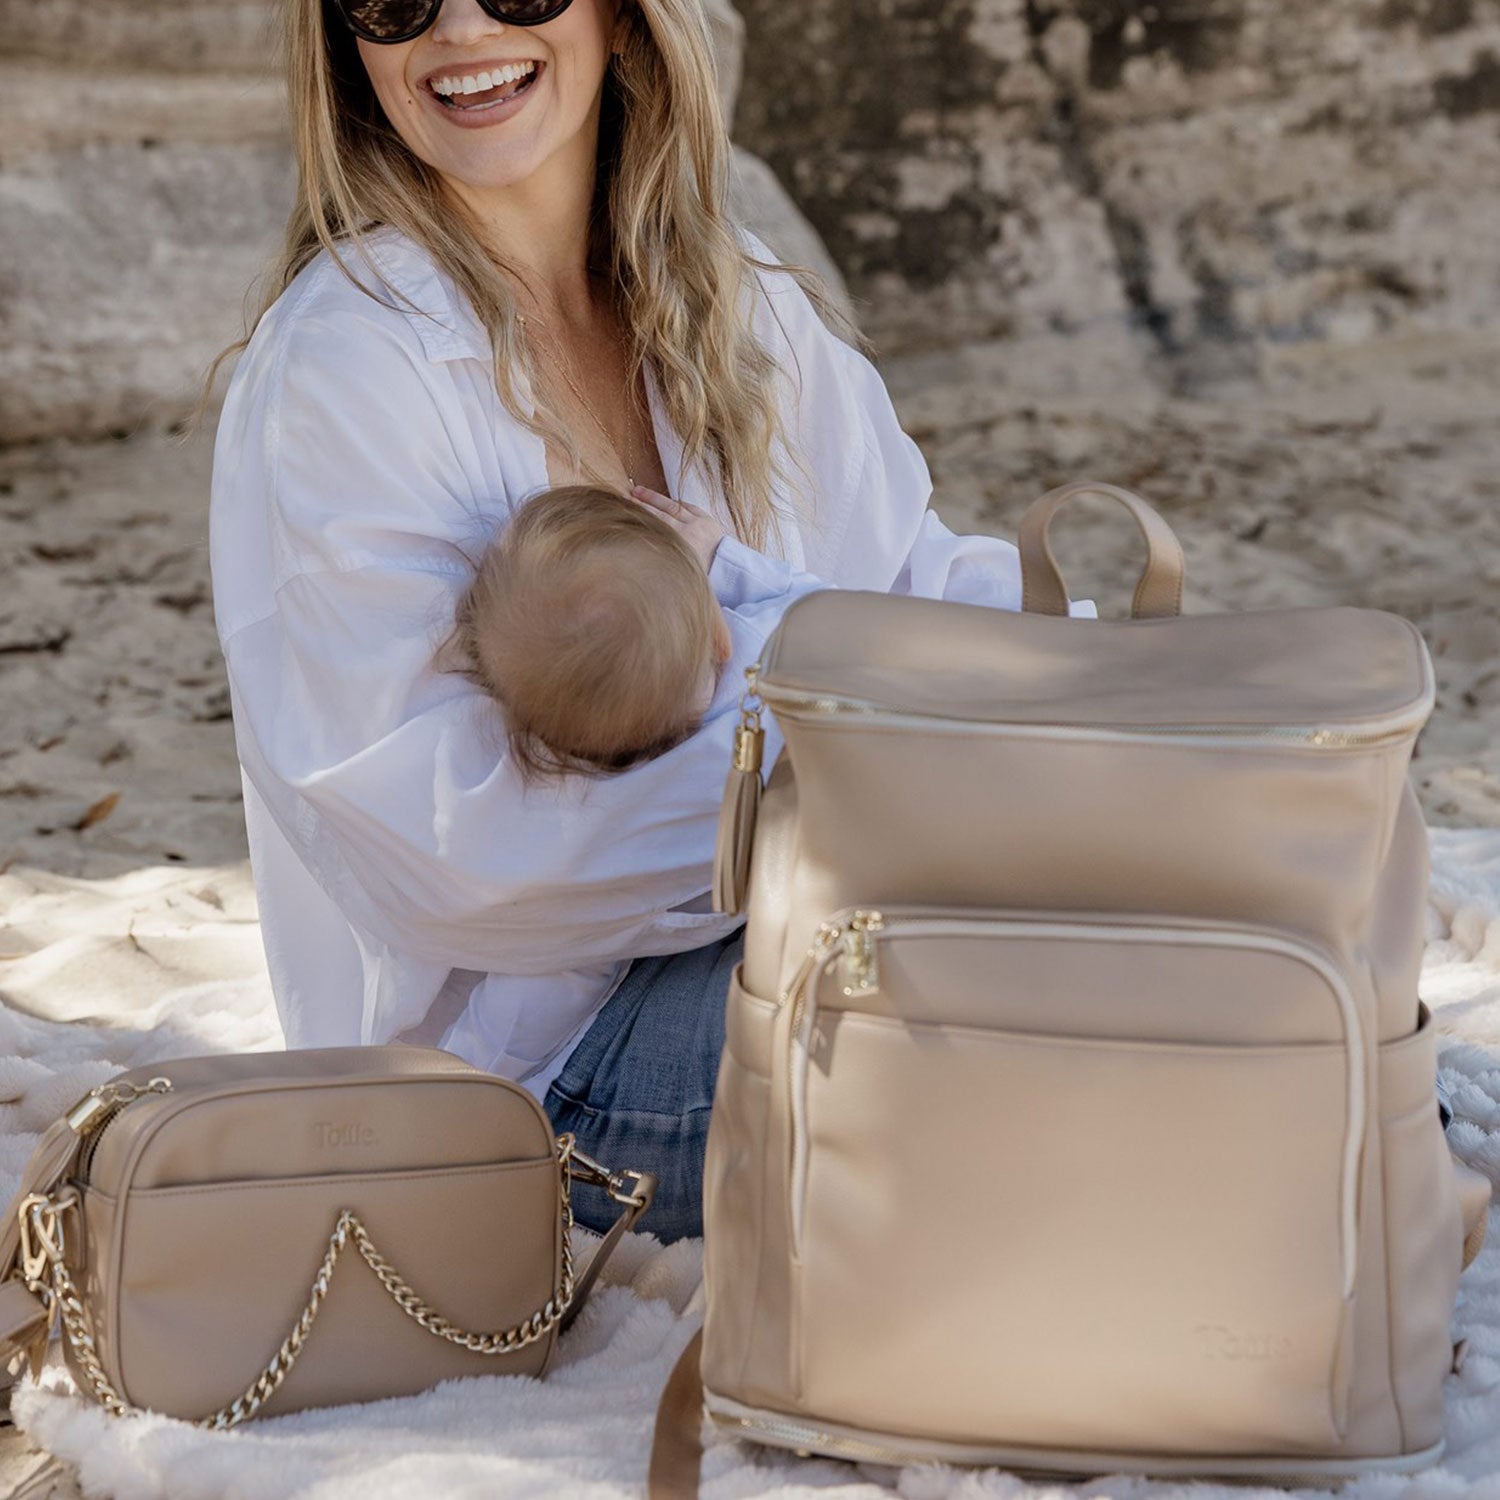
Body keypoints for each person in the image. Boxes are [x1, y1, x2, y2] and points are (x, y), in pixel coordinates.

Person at [203, 0, 1095, 1243]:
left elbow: (915, 578)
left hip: (813, 915)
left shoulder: (748, 310)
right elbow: (446, 859)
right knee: (1035, 994)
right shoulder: (346, 369)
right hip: (541, 1083)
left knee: (1145, 900)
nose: (458, 29)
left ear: (624, 21)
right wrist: (861, 776)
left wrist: (1105, 690)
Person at [436, 482, 823, 779]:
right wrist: (718, 556)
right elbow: (831, 608)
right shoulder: (764, 654)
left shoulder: (657, 782)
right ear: (720, 638)